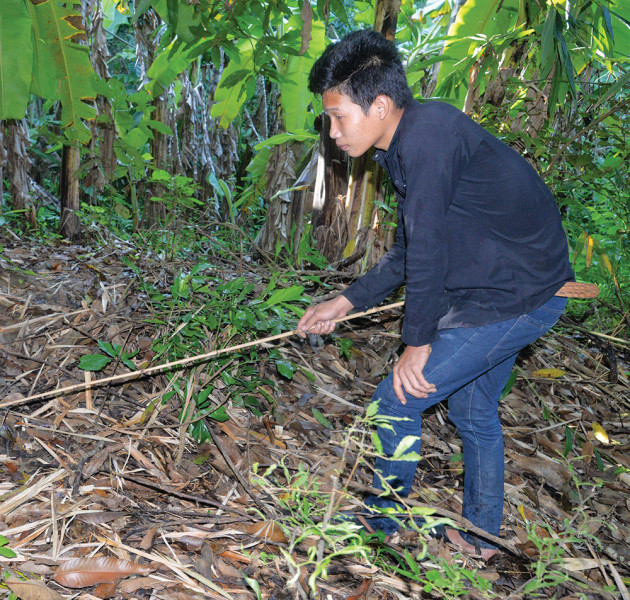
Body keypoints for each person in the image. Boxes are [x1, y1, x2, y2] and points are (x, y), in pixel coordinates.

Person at [297, 29, 574, 559]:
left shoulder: (427, 139)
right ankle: (482, 540)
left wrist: (417, 343)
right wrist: (345, 302)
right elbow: (410, 250)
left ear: (380, 105)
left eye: (337, 116)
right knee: (473, 413)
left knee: (395, 401)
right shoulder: (411, 140)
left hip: (518, 298)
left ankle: (381, 523)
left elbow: (426, 255)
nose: (331, 131)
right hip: (500, 291)